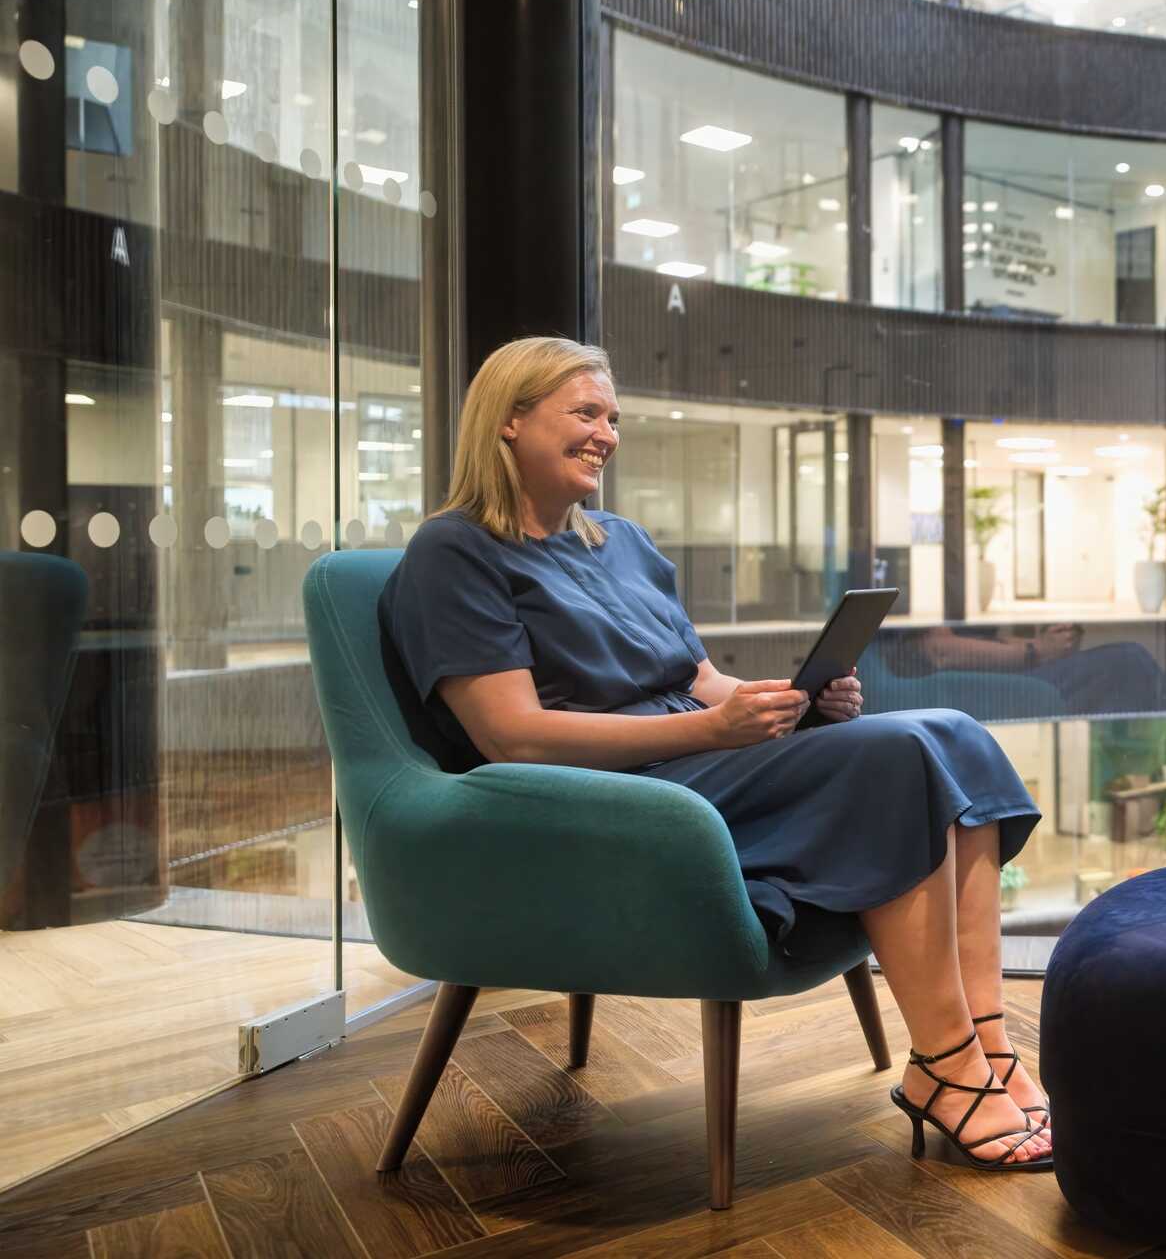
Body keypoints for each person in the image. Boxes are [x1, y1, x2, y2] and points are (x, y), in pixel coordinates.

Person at [380, 338, 1051, 1171]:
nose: (606, 435)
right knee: (899, 758)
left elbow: (697, 678)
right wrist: (712, 730)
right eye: (585, 413)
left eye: (612, 418)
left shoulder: (617, 541)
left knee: (950, 730)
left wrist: (788, 705)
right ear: (509, 420)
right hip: (621, 793)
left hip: (697, 760)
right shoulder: (454, 553)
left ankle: (988, 1049)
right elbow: (509, 734)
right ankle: (946, 1071)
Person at [886, 623, 1163, 716]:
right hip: (995, 689)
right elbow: (939, 651)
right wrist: (1038, 651)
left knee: (1124, 661)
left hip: (1014, 675)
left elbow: (985, 641)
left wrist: (1047, 645)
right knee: (1128, 659)